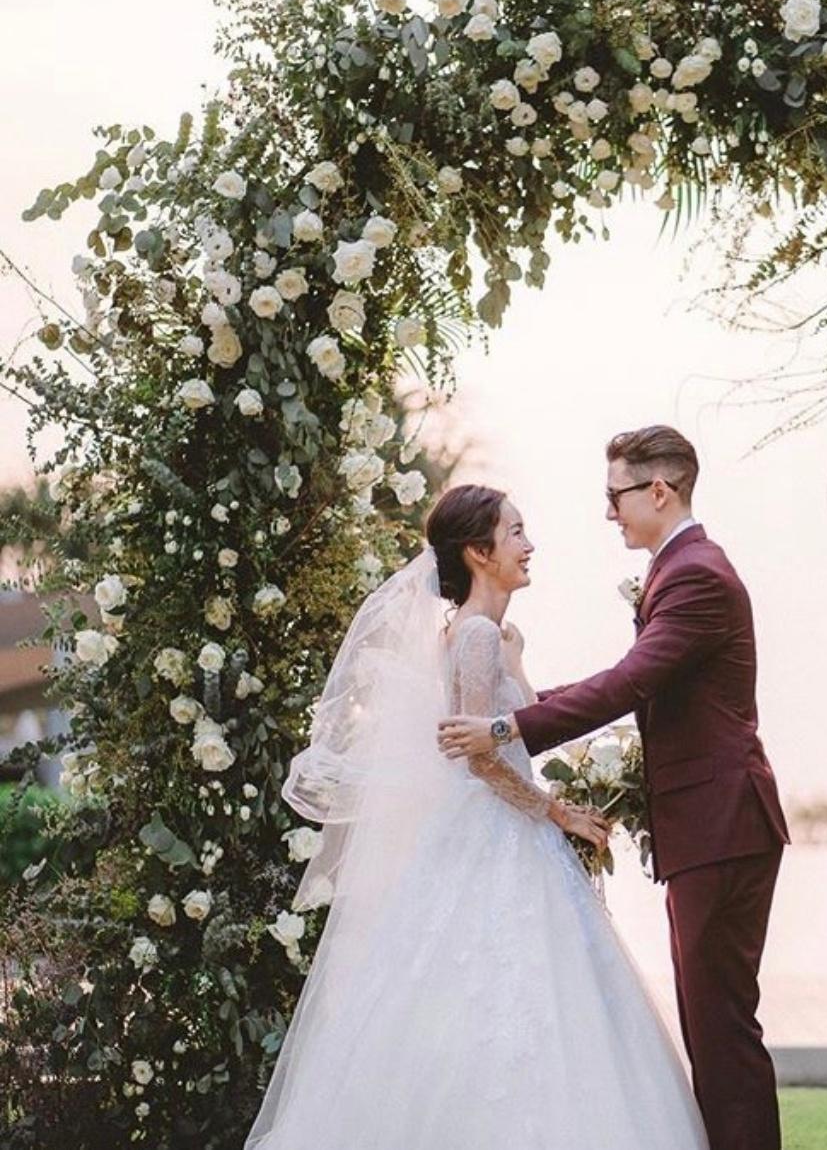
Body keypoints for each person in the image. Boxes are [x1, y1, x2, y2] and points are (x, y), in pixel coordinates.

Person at [244, 483, 708, 1150]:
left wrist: (520, 669)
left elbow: (513, 732)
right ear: (478, 552)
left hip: (496, 828)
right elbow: (481, 761)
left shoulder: (485, 634)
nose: (529, 545)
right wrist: (559, 813)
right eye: (515, 532)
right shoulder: (478, 634)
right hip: (497, 833)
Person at [439, 427, 790, 1150]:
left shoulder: (695, 573)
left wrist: (506, 727)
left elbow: (631, 681)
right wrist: (516, 713)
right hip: (710, 828)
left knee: (721, 1031)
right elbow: (637, 683)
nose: (609, 513)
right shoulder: (682, 568)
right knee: (711, 1026)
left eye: (615, 495)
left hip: (722, 824)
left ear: (657, 491)